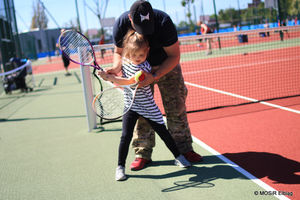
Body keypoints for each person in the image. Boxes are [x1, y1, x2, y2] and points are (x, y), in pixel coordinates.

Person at [105, 0, 203, 171]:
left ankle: (184, 150)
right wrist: (115, 67)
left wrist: (155, 75)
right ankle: (142, 153)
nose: (145, 33)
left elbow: (174, 56)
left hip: (166, 66)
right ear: (130, 18)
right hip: (136, 70)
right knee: (140, 110)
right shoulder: (121, 24)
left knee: (176, 107)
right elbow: (118, 52)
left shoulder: (164, 22)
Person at [98, 29, 191, 181]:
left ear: (147, 51)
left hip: (148, 107)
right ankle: (120, 167)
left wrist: (109, 78)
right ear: (128, 52)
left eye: (141, 55)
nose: (138, 58)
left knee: (164, 133)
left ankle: (178, 156)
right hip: (131, 107)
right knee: (125, 136)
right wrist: (109, 75)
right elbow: (119, 75)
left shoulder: (145, 67)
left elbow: (128, 82)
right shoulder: (124, 63)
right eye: (134, 55)